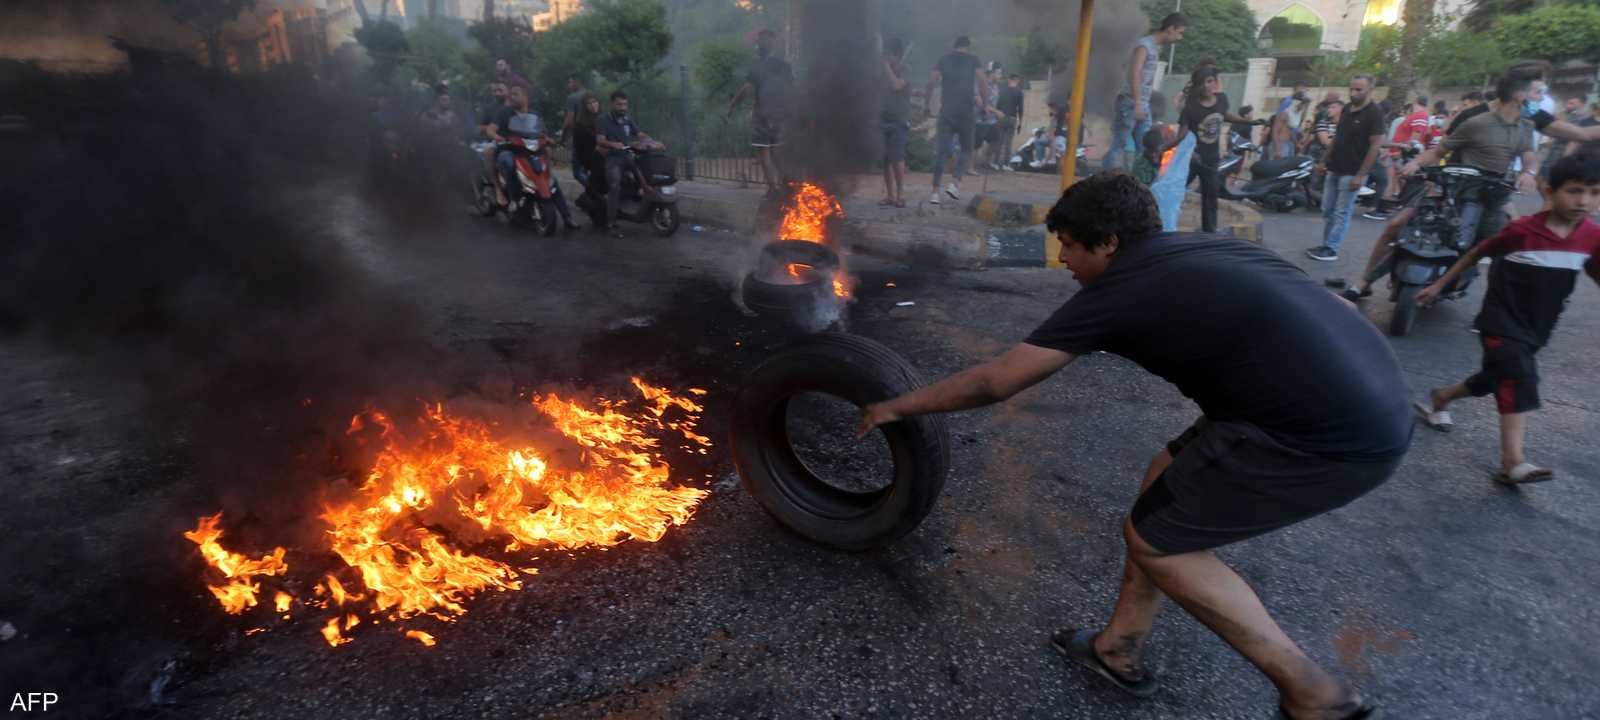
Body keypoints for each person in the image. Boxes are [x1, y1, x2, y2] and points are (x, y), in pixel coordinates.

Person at [857, 172, 1406, 720]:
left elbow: (996, 381)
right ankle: (1118, 648)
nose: (1063, 257)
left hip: (1322, 436)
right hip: (1373, 397)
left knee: (1160, 543)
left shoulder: (1119, 290)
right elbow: (1343, 313)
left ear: (1110, 242)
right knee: (1163, 476)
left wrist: (897, 405)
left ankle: (1313, 693)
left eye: (1070, 244)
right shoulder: (1203, 246)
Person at [1410, 153, 1600, 484]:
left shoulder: (1591, 237)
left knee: (1494, 378)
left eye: (1595, 192)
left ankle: (1442, 397)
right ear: (1549, 190)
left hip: (1538, 327)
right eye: (1574, 191)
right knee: (1519, 376)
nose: (1584, 201)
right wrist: (1439, 284)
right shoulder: (1521, 231)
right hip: (1500, 320)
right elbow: (1478, 252)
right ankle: (1512, 462)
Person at [1344, 73, 1600, 300]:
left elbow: (1533, 152)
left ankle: (1497, 305)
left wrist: (1528, 172)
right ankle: (1364, 282)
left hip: (1493, 195)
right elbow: (1441, 149)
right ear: (1519, 93)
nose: (1542, 98)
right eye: (1537, 92)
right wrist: (1417, 165)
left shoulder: (1526, 123)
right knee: (1399, 226)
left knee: (1508, 247)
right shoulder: (1475, 119)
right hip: (1452, 190)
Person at [1165, 67, 1255, 233]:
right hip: (1191, 159)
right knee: (1174, 190)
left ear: (1215, 82)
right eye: (1203, 83)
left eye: (1210, 81)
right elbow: (1181, 136)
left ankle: (1209, 231)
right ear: (1197, 86)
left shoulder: (1221, 99)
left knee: (1210, 196)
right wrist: (1169, 149)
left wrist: (1249, 122)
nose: (1207, 86)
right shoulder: (1190, 107)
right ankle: (1164, 225)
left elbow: (1225, 115)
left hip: (1211, 160)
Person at [1307, 76, 1383, 262]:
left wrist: (1361, 175)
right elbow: (1337, 138)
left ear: (1370, 90)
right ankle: (1326, 244)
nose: (1353, 93)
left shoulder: (1374, 113)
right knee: (1327, 209)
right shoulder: (1348, 109)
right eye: (1352, 89)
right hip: (1335, 168)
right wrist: (1324, 161)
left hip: (1353, 172)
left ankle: (1331, 248)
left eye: (1359, 90)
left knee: (1342, 211)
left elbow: (1375, 146)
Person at [488, 83, 578, 231]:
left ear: (525, 97)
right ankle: (514, 198)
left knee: (549, 179)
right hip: (510, 149)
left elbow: (541, 133)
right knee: (507, 161)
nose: (512, 97)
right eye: (511, 94)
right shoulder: (504, 112)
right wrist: (496, 137)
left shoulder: (535, 114)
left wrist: (547, 139)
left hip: (531, 151)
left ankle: (567, 217)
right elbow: (491, 129)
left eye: (516, 94)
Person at [1105, 13, 1187, 171]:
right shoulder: (1144, 45)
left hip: (1142, 103)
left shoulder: (1153, 47)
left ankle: (1139, 181)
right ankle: (1107, 180)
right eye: (1180, 32)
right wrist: (1137, 104)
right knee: (1120, 143)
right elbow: (1134, 73)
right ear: (1170, 29)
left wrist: (1142, 103)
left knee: (1147, 145)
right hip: (1130, 102)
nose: (1180, 37)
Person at [728, 29, 793, 196]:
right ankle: (787, 184)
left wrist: (732, 105)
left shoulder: (757, 66)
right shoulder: (784, 65)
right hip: (779, 113)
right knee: (777, 151)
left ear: (759, 45)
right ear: (774, 44)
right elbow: (791, 90)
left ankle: (773, 189)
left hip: (762, 113)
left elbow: (748, 89)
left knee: (763, 152)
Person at [925, 35, 988, 205]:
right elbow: (982, 81)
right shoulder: (973, 60)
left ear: (955, 46)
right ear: (968, 46)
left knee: (942, 151)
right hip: (966, 113)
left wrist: (926, 103)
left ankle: (935, 192)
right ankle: (955, 183)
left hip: (947, 112)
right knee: (967, 149)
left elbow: (931, 82)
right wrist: (985, 104)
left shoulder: (943, 60)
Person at [598, 90, 662, 237]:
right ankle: (611, 223)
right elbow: (600, 139)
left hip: (627, 155)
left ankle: (644, 210)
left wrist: (651, 141)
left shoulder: (627, 118)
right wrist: (613, 144)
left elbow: (639, 134)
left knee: (646, 178)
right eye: (619, 104)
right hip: (613, 158)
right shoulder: (603, 119)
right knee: (614, 186)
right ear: (612, 104)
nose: (622, 107)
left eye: (625, 104)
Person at [1372, 96, 1431, 214]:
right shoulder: (1416, 115)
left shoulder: (1420, 115)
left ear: (1415, 101)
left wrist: (1400, 152)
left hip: (1401, 154)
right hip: (1397, 152)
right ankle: (1385, 208)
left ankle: (1383, 209)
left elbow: (1416, 137)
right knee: (1393, 179)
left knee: (1391, 179)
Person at [880, 38, 912, 208]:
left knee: (897, 158)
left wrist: (886, 67)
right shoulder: (883, 72)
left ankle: (901, 195)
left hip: (899, 120)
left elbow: (896, 85)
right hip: (883, 119)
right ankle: (890, 195)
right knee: (885, 160)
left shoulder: (905, 69)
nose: (886, 57)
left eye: (889, 54)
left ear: (897, 55)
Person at [570, 93, 604, 197]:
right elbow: (578, 144)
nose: (593, 105)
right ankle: (593, 192)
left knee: (589, 176)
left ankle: (594, 193)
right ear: (585, 106)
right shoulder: (580, 123)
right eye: (589, 103)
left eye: (594, 102)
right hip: (581, 152)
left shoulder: (604, 118)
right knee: (579, 174)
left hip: (596, 153)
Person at [995, 73, 1025, 172]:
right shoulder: (1019, 92)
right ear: (1017, 81)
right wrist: (1020, 122)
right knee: (1008, 143)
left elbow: (998, 105)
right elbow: (1020, 108)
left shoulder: (1002, 91)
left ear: (1009, 80)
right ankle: (1005, 164)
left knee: (999, 141)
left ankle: (996, 163)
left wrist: (997, 116)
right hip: (1012, 118)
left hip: (1001, 117)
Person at [561, 73, 587, 147]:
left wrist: (562, 135)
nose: (568, 85)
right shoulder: (591, 95)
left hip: (577, 134)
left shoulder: (572, 97)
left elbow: (569, 120)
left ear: (577, 82)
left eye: (570, 82)